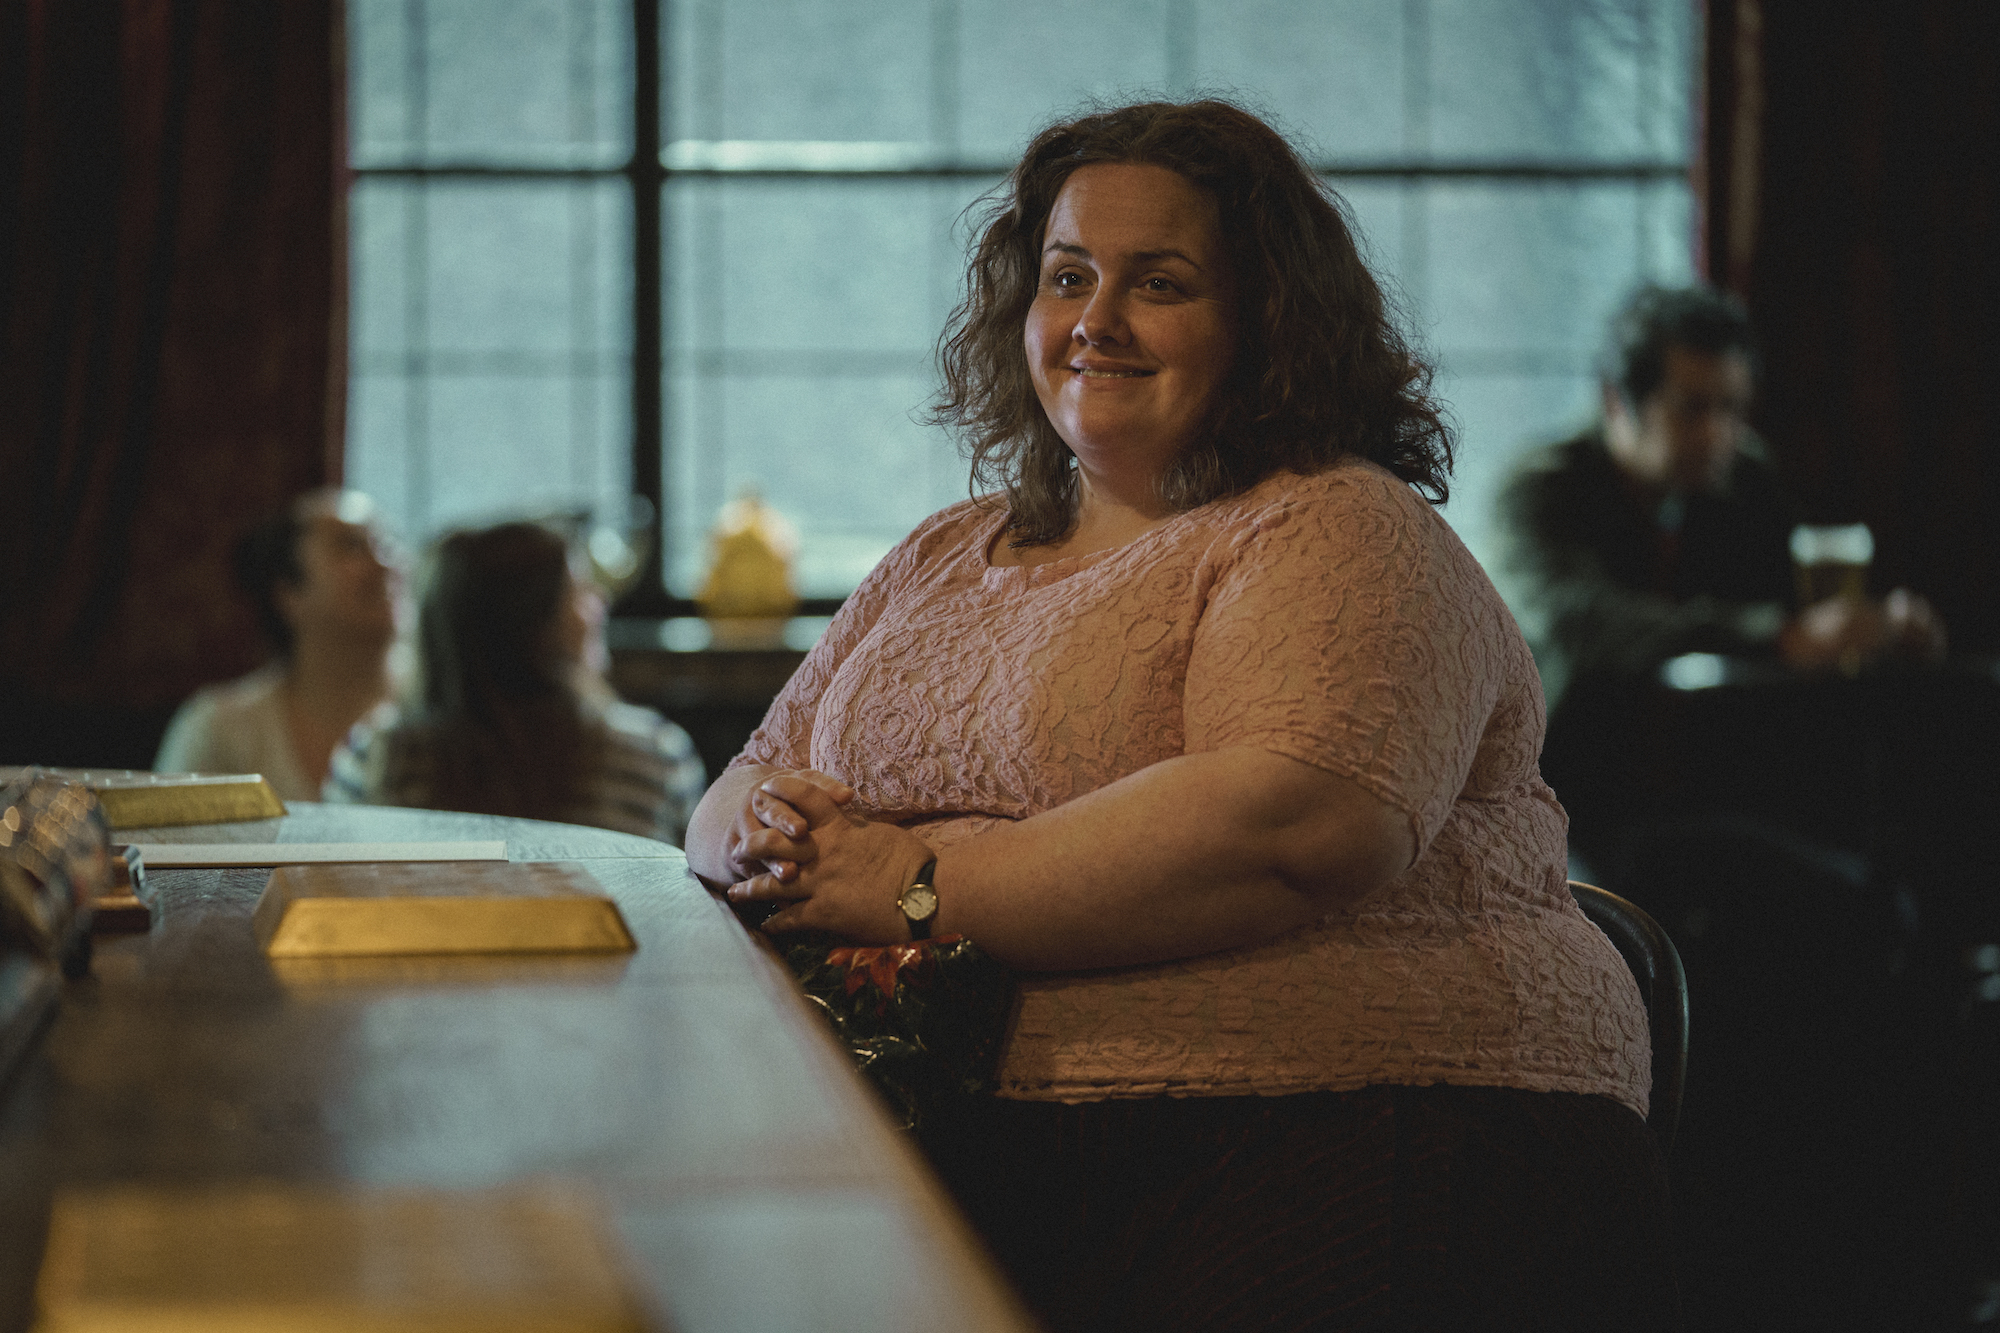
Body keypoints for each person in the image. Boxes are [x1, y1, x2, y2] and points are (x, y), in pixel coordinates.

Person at [685, 101, 1676, 1330]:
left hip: (1365, 1128)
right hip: (961, 1134)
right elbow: (746, 775)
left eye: (1158, 282)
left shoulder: (1333, 523)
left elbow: (1295, 822)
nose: (1095, 320)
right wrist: (752, 834)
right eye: (1066, 276)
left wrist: (915, 883)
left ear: (1267, 321)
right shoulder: (945, 549)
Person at [1501, 284, 1944, 713]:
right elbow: (1579, 625)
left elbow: (1800, 608)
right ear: (1616, 401)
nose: (1717, 434)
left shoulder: (1745, 477)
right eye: (1692, 408)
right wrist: (1774, 637)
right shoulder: (1542, 488)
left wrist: (1881, 627)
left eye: (1732, 408)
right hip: (1565, 761)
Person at [326, 521, 704, 846]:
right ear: (538, 628)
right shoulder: (655, 758)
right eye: (577, 590)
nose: (599, 601)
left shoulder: (372, 759)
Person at [154, 489, 401, 801]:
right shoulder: (220, 731)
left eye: (389, 544)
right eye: (351, 546)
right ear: (289, 594)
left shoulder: (440, 725)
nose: (385, 565)